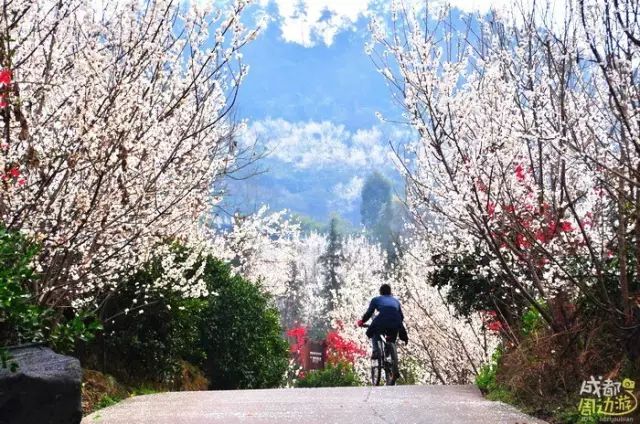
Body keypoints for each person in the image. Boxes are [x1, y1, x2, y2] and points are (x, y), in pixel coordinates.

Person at [357, 284, 406, 360]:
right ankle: (390, 354)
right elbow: (401, 316)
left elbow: (369, 313)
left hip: (383, 318)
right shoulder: (396, 301)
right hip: (396, 320)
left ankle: (376, 351)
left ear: (380, 292)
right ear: (390, 292)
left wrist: (362, 321)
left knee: (374, 329)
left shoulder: (376, 299)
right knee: (392, 337)